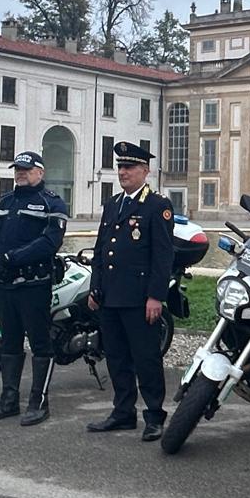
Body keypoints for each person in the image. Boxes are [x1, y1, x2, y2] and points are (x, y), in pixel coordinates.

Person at [87, 142, 175, 438]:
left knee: (146, 358)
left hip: (139, 299)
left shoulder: (157, 206)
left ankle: (154, 416)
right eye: (120, 167)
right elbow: (101, 251)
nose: (123, 172)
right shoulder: (113, 204)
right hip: (111, 296)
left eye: (129, 167)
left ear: (145, 171)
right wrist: (95, 288)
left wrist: (156, 296)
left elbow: (163, 257)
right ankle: (123, 412)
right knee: (117, 358)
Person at [0, 151, 68, 425]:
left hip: (33, 285)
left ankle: (38, 403)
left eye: (26, 170)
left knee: (40, 344)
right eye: (17, 169)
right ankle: (8, 400)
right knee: (9, 342)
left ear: (40, 172)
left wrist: (10, 258)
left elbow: (49, 242)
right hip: (5, 284)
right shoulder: (6, 200)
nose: (20, 173)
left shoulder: (52, 203)